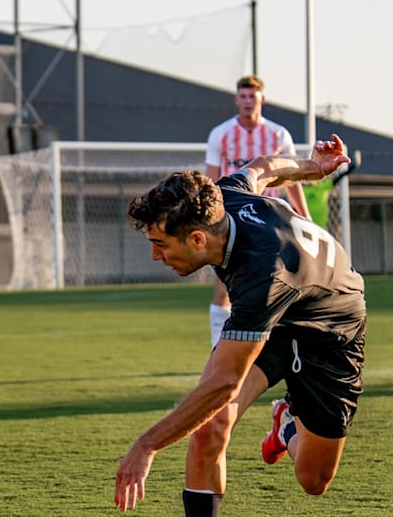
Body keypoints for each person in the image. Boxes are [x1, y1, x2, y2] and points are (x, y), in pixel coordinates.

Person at [114, 134, 365, 517]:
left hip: (330, 330)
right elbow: (264, 167)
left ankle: (287, 426)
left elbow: (225, 382)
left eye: (160, 243)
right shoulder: (221, 197)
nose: (154, 255)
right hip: (272, 316)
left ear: (197, 239)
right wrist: (314, 167)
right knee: (210, 425)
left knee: (313, 480)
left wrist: (146, 445)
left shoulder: (262, 273)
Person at [204, 75, 311, 348]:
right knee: (226, 286)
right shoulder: (220, 134)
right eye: (243, 96)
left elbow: (291, 175)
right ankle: (218, 347)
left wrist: (302, 213)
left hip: (272, 220)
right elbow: (213, 181)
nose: (248, 101)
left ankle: (283, 345)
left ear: (261, 99)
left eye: (253, 96)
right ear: (236, 99)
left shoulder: (278, 134)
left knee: (283, 280)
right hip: (233, 221)